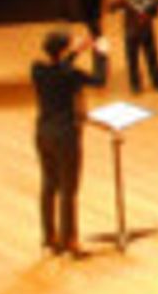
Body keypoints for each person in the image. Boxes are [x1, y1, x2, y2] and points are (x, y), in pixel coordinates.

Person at [31, 27, 108, 256]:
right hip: (66, 135)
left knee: (48, 185)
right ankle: (70, 242)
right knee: (68, 190)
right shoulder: (71, 75)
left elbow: (60, 67)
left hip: (43, 132)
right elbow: (99, 80)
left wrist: (75, 52)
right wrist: (102, 54)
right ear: (64, 50)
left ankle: (49, 238)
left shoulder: (37, 69)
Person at [109, 0, 158, 94]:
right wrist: (114, 2)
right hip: (130, 30)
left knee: (152, 57)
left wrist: (148, 13)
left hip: (146, 30)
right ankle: (135, 85)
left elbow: (156, 12)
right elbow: (111, 9)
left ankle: (157, 82)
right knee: (132, 59)